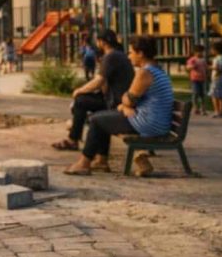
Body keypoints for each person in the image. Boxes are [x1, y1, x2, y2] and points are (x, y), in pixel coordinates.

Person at [65, 36, 174, 176]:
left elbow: (127, 99)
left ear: (140, 53)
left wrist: (125, 105)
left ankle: (84, 163)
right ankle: (101, 161)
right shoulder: (156, 69)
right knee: (102, 118)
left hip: (149, 123)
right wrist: (125, 105)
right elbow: (129, 99)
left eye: (131, 52)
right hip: (158, 122)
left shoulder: (144, 73)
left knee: (96, 120)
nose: (129, 56)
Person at [52, 29, 134, 152]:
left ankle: (73, 140)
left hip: (117, 103)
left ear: (102, 42)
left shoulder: (111, 56)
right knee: (82, 102)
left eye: (98, 40)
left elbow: (98, 81)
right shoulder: (116, 55)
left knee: (80, 101)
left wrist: (80, 90)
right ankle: (78, 139)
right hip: (117, 100)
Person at [186, 44, 208, 115]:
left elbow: (206, 68)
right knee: (195, 94)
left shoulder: (203, 60)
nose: (200, 53)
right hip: (195, 79)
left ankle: (203, 108)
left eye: (201, 52)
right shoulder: (192, 60)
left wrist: (208, 75)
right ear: (195, 52)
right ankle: (195, 108)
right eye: (199, 52)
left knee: (202, 94)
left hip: (202, 79)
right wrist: (192, 66)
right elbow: (188, 68)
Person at [209, 41, 222, 118]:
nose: (211, 51)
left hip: (217, 79)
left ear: (215, 50)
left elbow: (219, 68)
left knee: (214, 95)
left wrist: (210, 67)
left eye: (212, 49)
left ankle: (216, 111)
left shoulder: (217, 59)